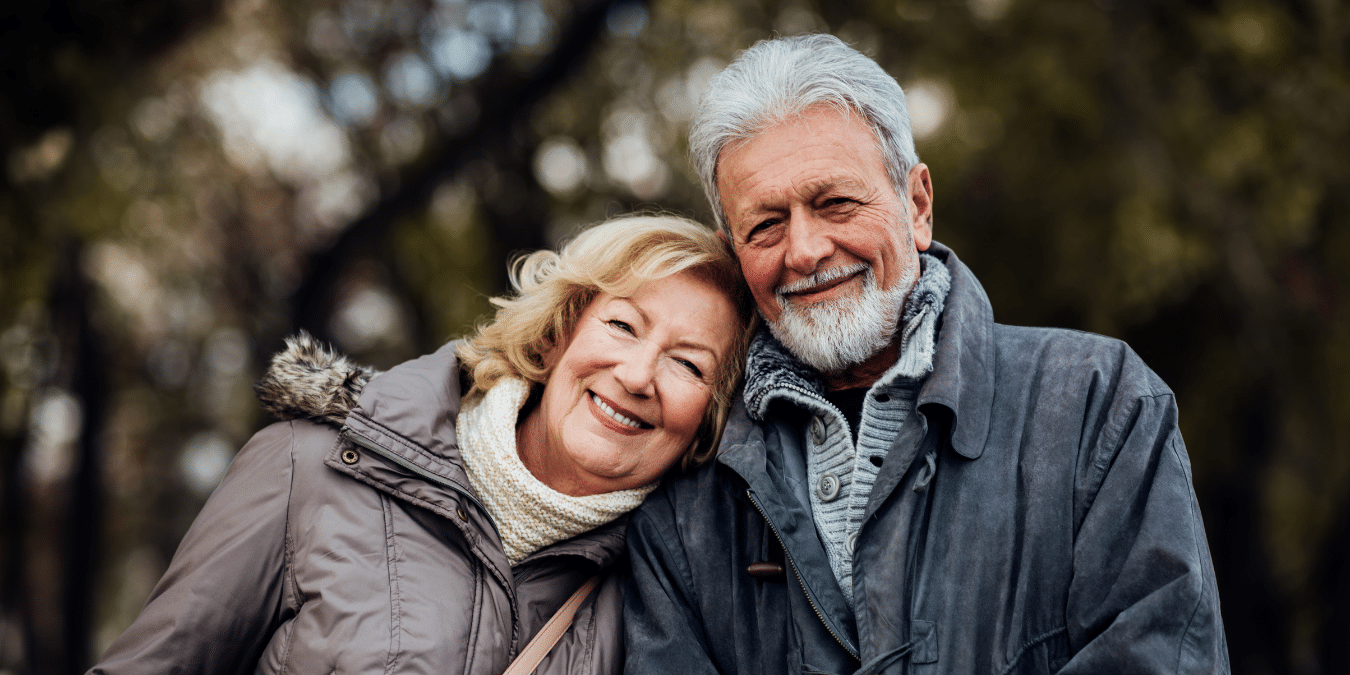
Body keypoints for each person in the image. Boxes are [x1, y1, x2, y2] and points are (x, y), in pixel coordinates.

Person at [623, 34, 1230, 674]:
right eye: (766, 224)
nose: (803, 250)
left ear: (916, 205)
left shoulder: (1097, 404)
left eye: (835, 202)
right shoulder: (686, 497)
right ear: (734, 250)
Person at [90, 214, 756, 675]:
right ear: (556, 336)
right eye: (622, 324)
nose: (638, 375)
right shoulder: (310, 468)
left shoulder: (673, 593)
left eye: (689, 365)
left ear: (708, 421)